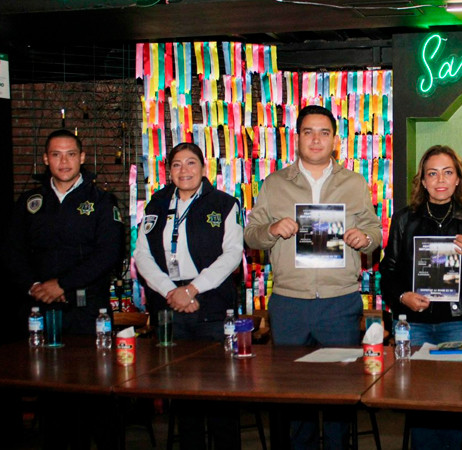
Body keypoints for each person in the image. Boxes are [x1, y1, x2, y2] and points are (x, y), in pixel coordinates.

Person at [244, 105, 381, 449]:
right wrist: (272, 229)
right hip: (290, 303)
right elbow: (251, 235)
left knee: (340, 395)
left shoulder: (353, 182)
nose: (316, 139)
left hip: (340, 302)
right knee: (295, 396)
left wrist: (364, 239)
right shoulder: (275, 183)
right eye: (308, 132)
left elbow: (374, 231)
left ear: (335, 140)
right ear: (297, 138)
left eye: (323, 132)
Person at [5, 129, 124, 450]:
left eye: (71, 154)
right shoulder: (30, 202)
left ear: (82, 158)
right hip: (41, 312)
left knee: (97, 394)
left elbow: (109, 254)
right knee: (53, 401)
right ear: (46, 159)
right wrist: (35, 287)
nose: (64, 161)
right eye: (56, 154)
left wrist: (62, 285)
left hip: (88, 314)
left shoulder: (101, 201)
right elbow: (12, 251)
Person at [134, 142, 243, 450]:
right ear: (169, 171)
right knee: (183, 394)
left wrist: (193, 288)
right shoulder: (156, 204)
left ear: (204, 168)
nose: (185, 170)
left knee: (220, 392)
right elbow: (142, 256)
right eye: (177, 164)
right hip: (169, 306)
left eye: (191, 163)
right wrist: (172, 292)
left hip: (210, 305)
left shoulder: (224, 204)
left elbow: (232, 255)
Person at [380, 145, 462, 450]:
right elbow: (387, 271)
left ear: (458, 179)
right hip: (416, 322)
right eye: (432, 173)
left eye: (447, 172)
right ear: (423, 181)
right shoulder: (404, 219)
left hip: (457, 322)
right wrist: (403, 296)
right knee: (421, 399)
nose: (440, 179)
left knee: (452, 399)